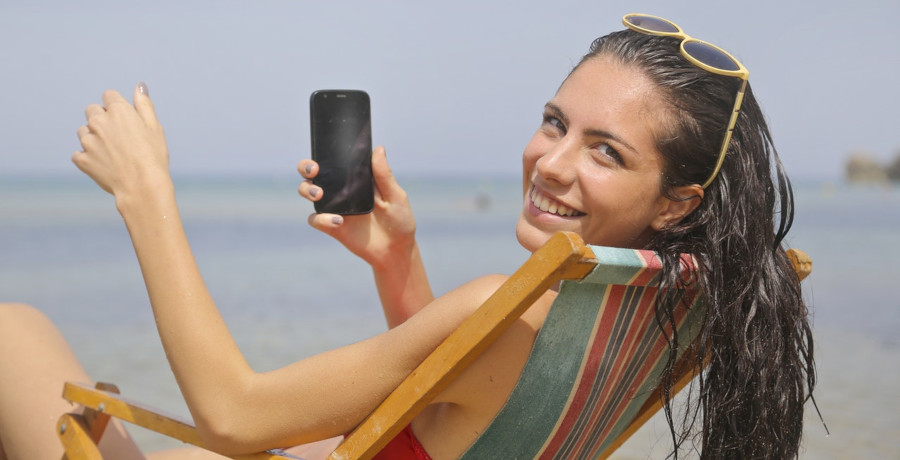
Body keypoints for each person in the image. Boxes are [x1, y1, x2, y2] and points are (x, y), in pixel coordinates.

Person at [0, 14, 815, 459]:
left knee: (12, 334)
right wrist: (398, 260)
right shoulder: (663, 305)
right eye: (554, 123)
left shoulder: (511, 307)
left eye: (605, 152)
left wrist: (145, 193)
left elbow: (234, 417)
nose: (550, 163)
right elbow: (467, 407)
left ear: (675, 203)